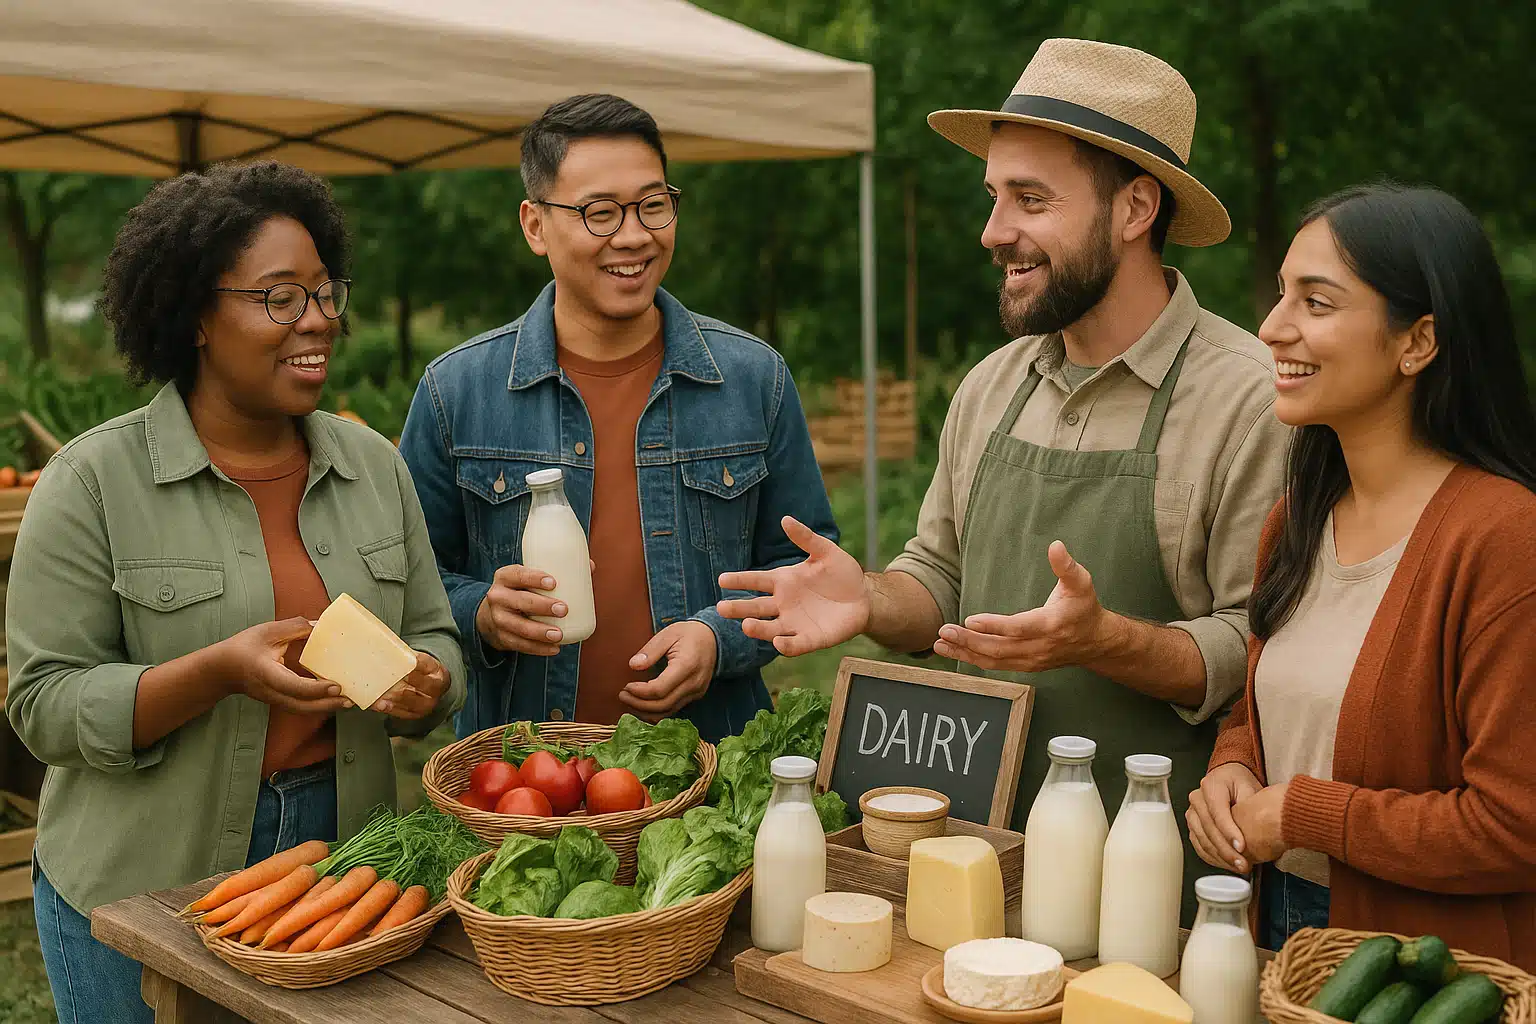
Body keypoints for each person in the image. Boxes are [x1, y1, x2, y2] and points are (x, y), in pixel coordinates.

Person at [716, 38, 1289, 917]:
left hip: (1151, 875)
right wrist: (872, 598)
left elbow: (1260, 655)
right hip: (973, 862)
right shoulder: (993, 384)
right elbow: (939, 581)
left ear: (1136, 208)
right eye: (994, 198)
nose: (994, 232)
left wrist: (1103, 639)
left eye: (1031, 199)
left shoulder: (1247, 401)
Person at [4, 162, 466, 1024]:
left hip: (344, 872)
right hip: (139, 875)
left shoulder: (375, 468)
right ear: (197, 317)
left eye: (326, 293)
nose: (320, 321)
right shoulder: (91, 482)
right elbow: (45, 706)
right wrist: (216, 671)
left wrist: (428, 683)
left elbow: (436, 636)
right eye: (280, 297)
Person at [398, 94, 836, 744]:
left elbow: (805, 568)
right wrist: (482, 613)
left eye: (653, 205)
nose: (633, 235)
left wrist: (717, 642)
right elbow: (409, 581)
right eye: (599, 213)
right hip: (523, 782)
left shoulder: (752, 378)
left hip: (711, 778)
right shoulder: (456, 390)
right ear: (535, 224)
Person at [1187, 184, 1536, 966]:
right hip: (1270, 932)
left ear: (1417, 342)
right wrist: (1233, 764)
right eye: (1281, 295)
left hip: (1419, 976)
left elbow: (1518, 825)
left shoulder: (1505, 539)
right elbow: (1273, 710)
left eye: (1317, 302)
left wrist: (1308, 818)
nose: (1273, 328)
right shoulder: (1297, 520)